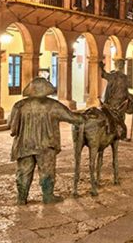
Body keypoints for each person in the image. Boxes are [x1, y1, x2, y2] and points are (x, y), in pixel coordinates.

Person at [9, 77, 84, 205]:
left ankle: (21, 198)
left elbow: (12, 129)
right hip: (46, 145)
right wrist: (86, 116)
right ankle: (48, 196)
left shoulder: (19, 106)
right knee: (47, 171)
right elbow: (73, 118)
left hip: (24, 145)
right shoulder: (53, 105)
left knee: (23, 172)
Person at [100, 58, 133, 139]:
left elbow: (103, 74)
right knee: (116, 118)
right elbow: (103, 75)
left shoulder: (119, 77)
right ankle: (117, 134)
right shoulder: (118, 76)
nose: (120, 66)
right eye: (120, 64)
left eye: (121, 64)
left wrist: (101, 66)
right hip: (117, 102)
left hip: (117, 102)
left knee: (116, 118)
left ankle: (118, 133)